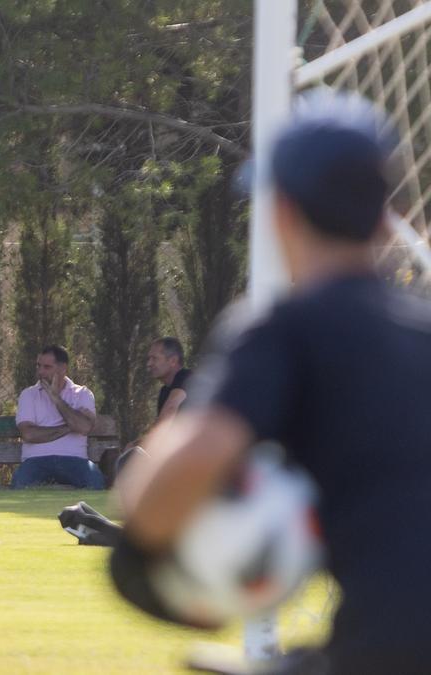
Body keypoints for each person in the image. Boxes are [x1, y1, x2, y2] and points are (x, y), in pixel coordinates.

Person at [114, 92, 431, 672]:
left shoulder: (288, 327)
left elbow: (195, 455)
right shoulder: (421, 331)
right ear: (386, 212)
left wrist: (137, 553)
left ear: (282, 210)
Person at [11, 346, 104, 489]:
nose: (40, 372)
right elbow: (29, 434)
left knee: (95, 480)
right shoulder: (28, 395)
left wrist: (56, 398)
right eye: (39, 366)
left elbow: (84, 427)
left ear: (63, 369)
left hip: (75, 461)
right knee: (20, 482)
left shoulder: (82, 394)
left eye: (47, 367)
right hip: (36, 461)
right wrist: (69, 427)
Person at [114, 337, 193, 477]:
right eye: (148, 359)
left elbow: (169, 411)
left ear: (173, 361)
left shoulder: (186, 378)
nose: (149, 364)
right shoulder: (165, 391)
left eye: (154, 358)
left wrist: (139, 447)